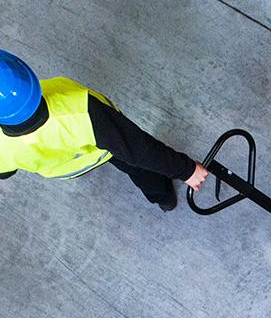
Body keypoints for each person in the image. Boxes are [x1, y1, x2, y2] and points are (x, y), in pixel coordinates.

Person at [0, 49, 208, 211]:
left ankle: (164, 201)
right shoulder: (80, 111)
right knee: (138, 166)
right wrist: (187, 170)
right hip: (101, 149)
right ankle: (163, 197)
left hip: (67, 168)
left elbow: (5, 172)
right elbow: (139, 149)